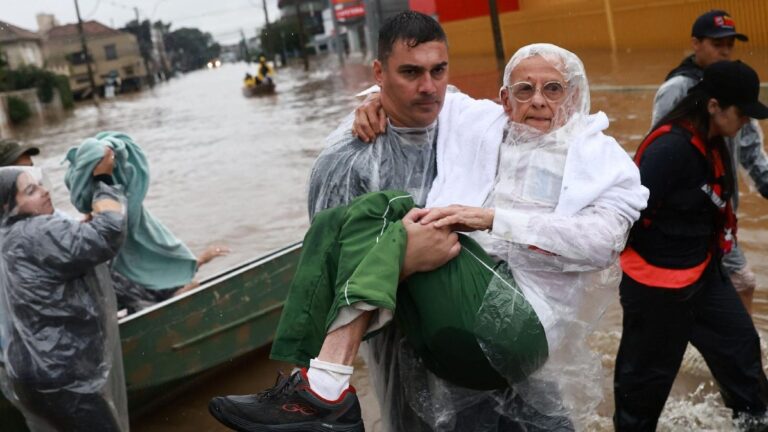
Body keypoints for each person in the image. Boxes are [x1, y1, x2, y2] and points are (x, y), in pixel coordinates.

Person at [210, 13, 647, 431]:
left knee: (381, 211)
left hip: (513, 328)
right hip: (440, 342)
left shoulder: (601, 158)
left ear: (573, 95)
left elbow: (605, 240)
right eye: (524, 89)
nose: (538, 100)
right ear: (503, 98)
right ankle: (318, 385)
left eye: (554, 89)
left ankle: (321, 388)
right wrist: (371, 102)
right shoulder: (477, 124)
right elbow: (438, 97)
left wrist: (491, 220)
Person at [614, 60, 768, 431]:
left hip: (704, 274)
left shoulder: (715, 139)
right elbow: (623, 216)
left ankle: (754, 422)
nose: (747, 122)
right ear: (714, 106)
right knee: (643, 387)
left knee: (742, 352)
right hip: (658, 288)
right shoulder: (670, 149)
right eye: (742, 113)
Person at [0, 150, 130, 431]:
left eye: (39, 184)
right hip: (63, 378)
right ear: (8, 205)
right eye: (31, 191)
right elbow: (109, 233)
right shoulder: (36, 232)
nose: (46, 192)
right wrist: (103, 179)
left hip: (29, 374)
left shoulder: (9, 235)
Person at [651, 9, 767, 314]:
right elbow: (660, 150)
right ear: (695, 43)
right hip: (691, 214)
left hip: (722, 211)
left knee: (721, 284)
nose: (726, 51)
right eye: (718, 44)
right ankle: (745, 346)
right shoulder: (677, 89)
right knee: (740, 280)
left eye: (730, 44)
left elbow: (751, 149)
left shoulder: (736, 87)